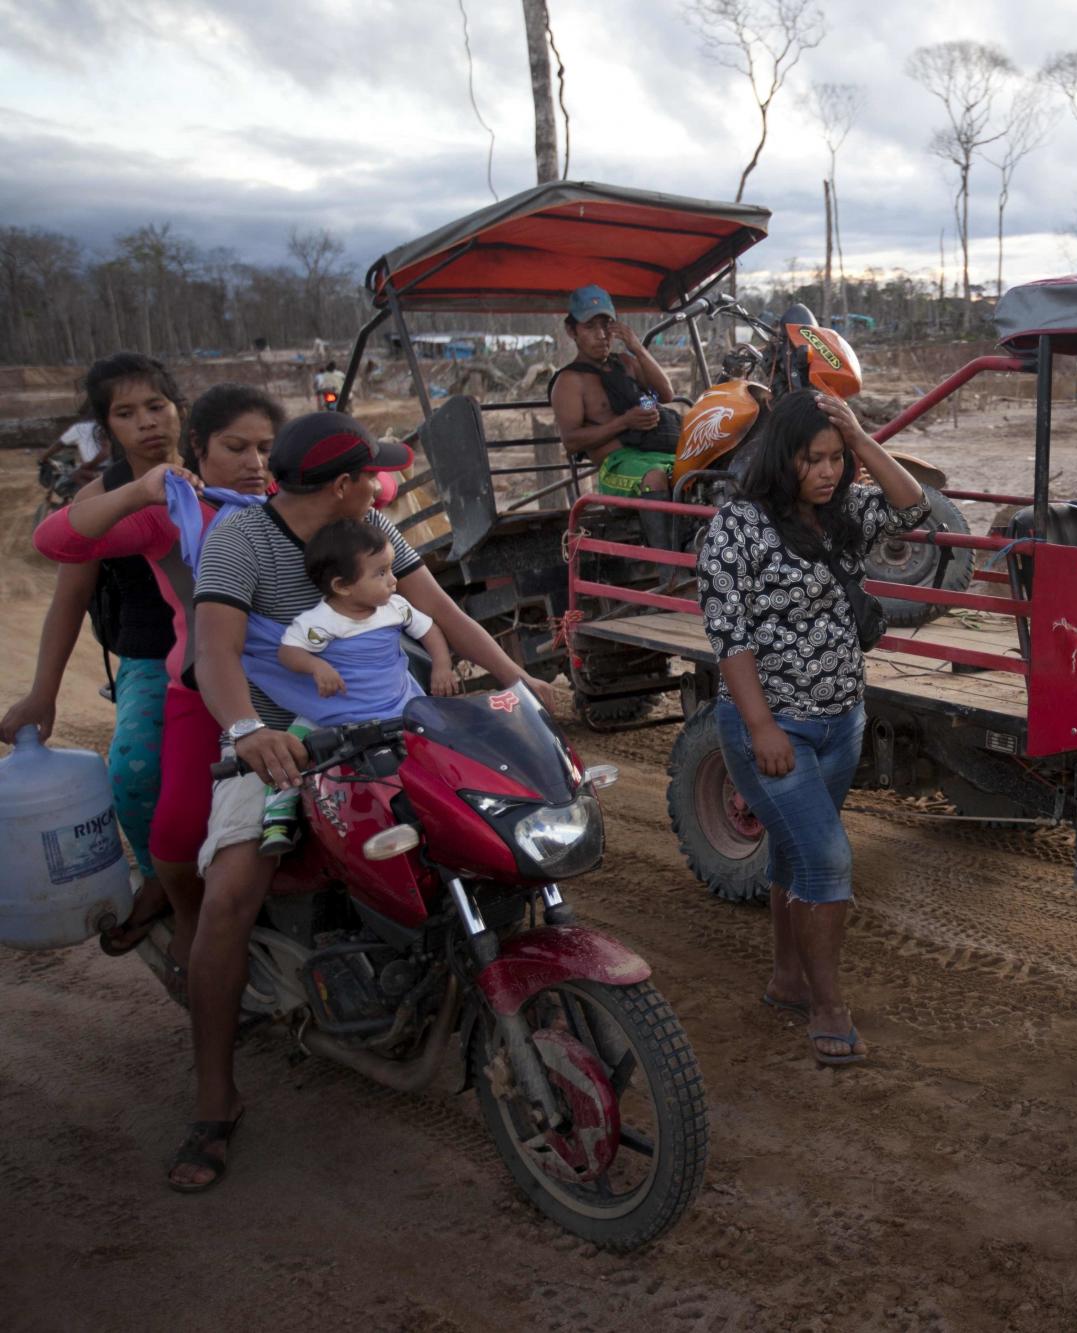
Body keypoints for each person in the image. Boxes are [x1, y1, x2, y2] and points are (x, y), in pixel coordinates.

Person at [176, 411, 556, 1192]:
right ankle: (215, 1097)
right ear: (344, 483)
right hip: (283, 741)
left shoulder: (370, 523)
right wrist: (247, 729)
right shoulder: (240, 539)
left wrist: (522, 683)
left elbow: (442, 613)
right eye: (369, 471)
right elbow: (212, 652)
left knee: (499, 825)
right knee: (231, 893)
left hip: (396, 726)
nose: (379, 482)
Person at [696, 390, 928, 1066]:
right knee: (827, 857)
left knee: (797, 853)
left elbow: (913, 506)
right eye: (813, 459)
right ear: (782, 457)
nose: (828, 472)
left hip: (842, 719)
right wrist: (762, 724)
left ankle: (788, 977)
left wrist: (860, 438)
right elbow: (728, 634)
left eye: (835, 459)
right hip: (772, 729)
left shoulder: (846, 510)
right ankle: (828, 1007)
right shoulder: (736, 525)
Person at [33, 384, 283, 989]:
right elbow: (57, 545)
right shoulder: (160, 507)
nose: (254, 462)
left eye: (266, 449)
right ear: (201, 445)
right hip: (189, 674)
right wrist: (140, 491)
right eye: (236, 447)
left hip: (292, 680)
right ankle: (187, 913)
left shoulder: (287, 497)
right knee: (166, 810)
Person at [4, 354, 186, 954]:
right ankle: (162, 882)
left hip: (248, 648)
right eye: (126, 414)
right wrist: (42, 694)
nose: (147, 424)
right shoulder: (100, 498)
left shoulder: (227, 468)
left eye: (156, 406)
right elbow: (68, 600)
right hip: (153, 655)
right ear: (109, 430)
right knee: (134, 771)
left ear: (179, 408)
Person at [261, 519, 457, 853]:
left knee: (442, 743)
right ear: (343, 586)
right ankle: (278, 814)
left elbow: (429, 630)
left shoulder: (395, 608)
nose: (394, 581)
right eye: (380, 573)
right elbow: (288, 652)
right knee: (291, 746)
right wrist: (316, 665)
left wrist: (442, 665)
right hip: (335, 711)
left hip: (397, 702)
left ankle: (452, 798)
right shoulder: (320, 622)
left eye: (391, 569)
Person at [549, 284, 683, 504]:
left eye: (606, 325)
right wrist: (624, 423)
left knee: (706, 469)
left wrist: (637, 348)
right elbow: (571, 442)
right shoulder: (569, 381)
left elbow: (665, 394)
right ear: (572, 331)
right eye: (590, 327)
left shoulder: (626, 363)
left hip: (657, 451)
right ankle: (661, 540)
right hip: (617, 465)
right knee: (656, 479)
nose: (601, 335)